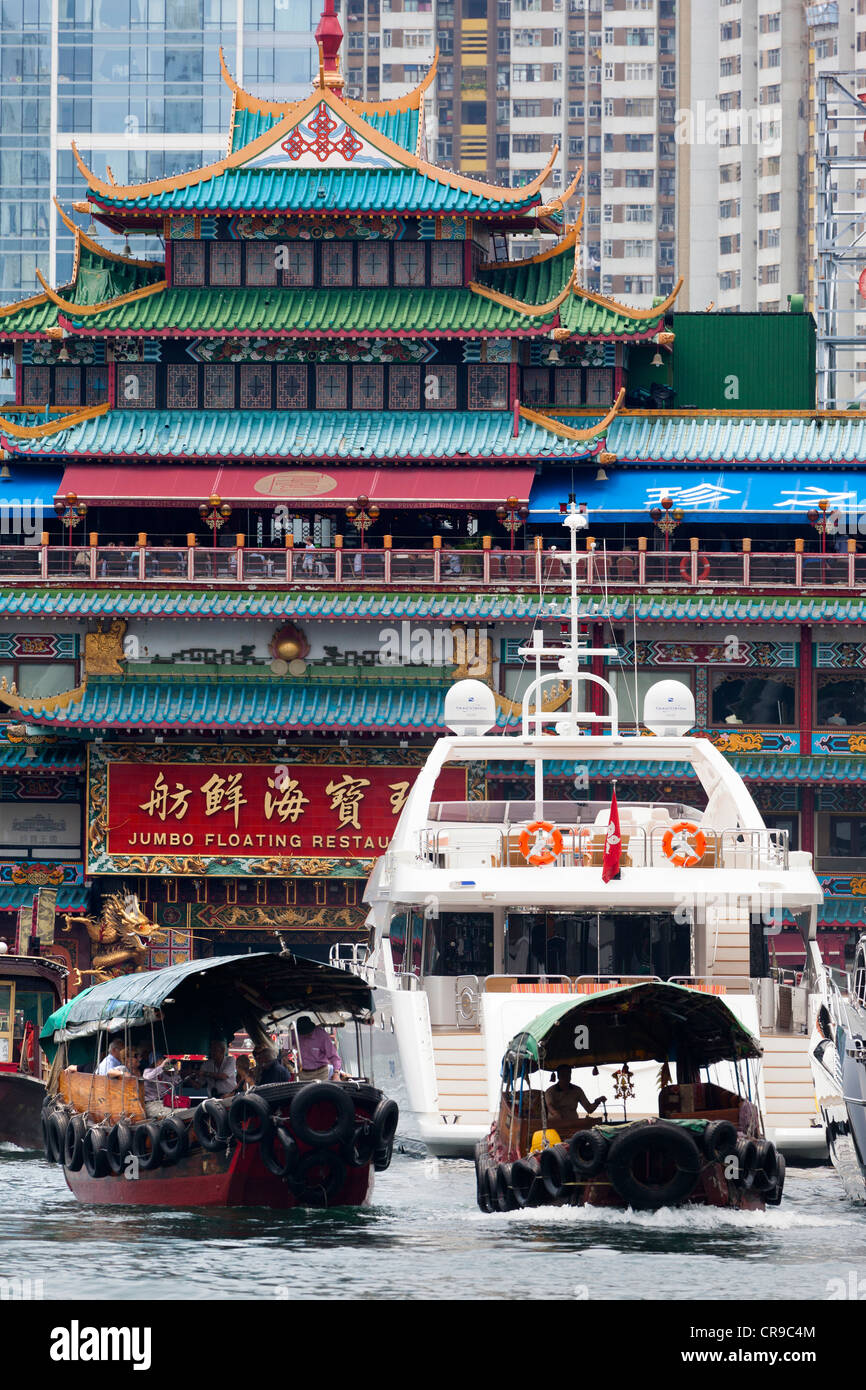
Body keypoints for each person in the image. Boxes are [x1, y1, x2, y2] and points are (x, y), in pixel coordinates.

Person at [544, 1066, 606, 1132]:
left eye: (568, 1075)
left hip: (573, 1125)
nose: (566, 1078)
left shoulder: (577, 1090)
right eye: (563, 1075)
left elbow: (589, 1109)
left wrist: (597, 1102)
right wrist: (556, 1114)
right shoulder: (550, 1091)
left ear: (570, 1076)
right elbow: (550, 1106)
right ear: (558, 1076)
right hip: (556, 1126)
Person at [295, 1016, 344, 1081]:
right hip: (302, 1073)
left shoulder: (322, 1036)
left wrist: (336, 1073)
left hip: (320, 1073)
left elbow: (334, 1057)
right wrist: (285, 1049)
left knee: (320, 1090)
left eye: (308, 1032)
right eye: (303, 1033)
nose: (306, 1035)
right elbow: (287, 1037)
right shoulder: (295, 1033)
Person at [141, 1052, 180, 1118]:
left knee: (183, 1111)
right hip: (151, 1104)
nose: (163, 1062)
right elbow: (148, 1077)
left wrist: (175, 1070)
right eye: (161, 1060)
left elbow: (176, 1082)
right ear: (155, 1062)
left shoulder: (162, 1073)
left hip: (163, 1102)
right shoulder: (147, 1071)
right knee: (174, 1113)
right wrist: (162, 1065)